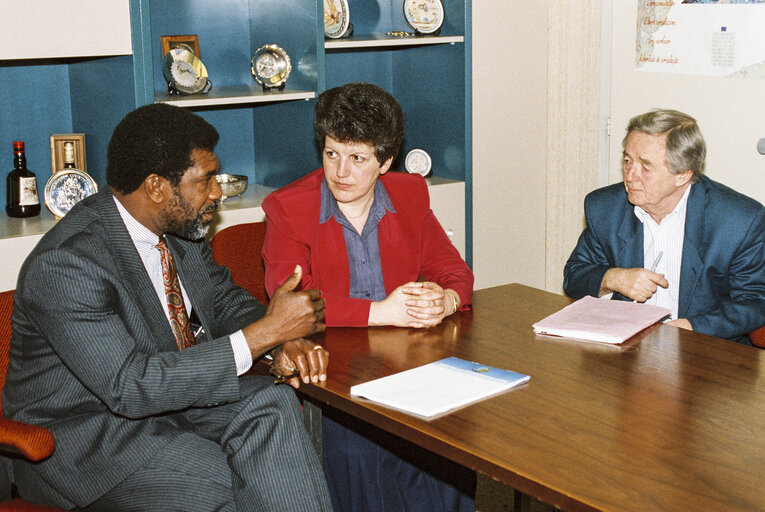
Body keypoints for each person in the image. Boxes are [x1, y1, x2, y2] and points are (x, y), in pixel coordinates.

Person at [2, 103, 334, 511]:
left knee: (273, 405)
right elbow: (130, 387)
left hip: (174, 404)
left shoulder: (180, 229)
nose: (216, 192)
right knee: (232, 486)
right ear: (157, 187)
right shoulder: (67, 264)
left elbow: (224, 300)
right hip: (90, 441)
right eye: (206, 179)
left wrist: (280, 341)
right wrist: (267, 332)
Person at [262, 82, 475, 511]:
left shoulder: (410, 195)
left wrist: (446, 300)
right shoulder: (288, 208)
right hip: (331, 374)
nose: (340, 171)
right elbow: (293, 305)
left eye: (358, 158)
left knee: (452, 441)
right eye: (331, 153)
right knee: (365, 454)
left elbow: (455, 272)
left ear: (386, 161)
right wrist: (383, 311)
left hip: (406, 361)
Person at [564, 108, 765, 345]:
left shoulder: (739, 220)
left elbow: (755, 301)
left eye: (645, 166)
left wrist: (690, 327)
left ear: (683, 174)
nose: (630, 175)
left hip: (707, 351)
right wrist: (614, 278)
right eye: (627, 160)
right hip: (628, 349)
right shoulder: (605, 207)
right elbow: (574, 277)